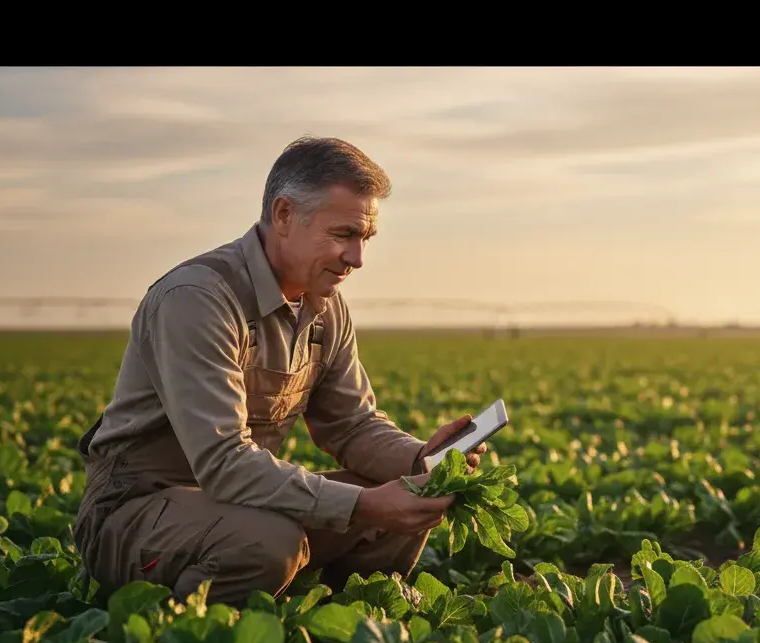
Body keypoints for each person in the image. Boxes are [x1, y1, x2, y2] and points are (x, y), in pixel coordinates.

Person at [71, 136, 488, 607]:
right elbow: (224, 463)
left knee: (407, 501)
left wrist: (421, 461)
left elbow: (352, 425)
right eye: (343, 234)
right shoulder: (198, 299)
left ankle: (340, 635)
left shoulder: (325, 306)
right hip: (134, 514)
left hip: (238, 505)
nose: (357, 258)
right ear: (285, 215)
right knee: (270, 541)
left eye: (364, 238)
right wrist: (365, 505)